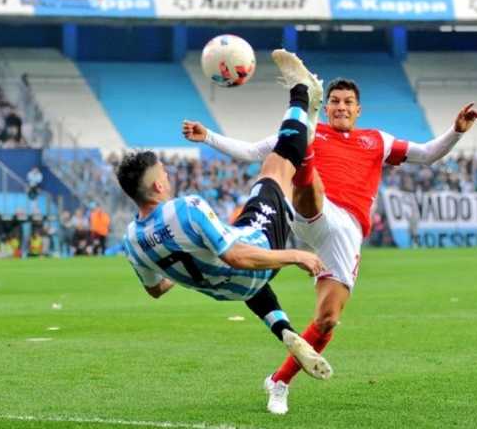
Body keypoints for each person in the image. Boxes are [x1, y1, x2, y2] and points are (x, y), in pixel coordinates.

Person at [185, 77, 477, 414]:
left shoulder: (377, 140)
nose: (341, 107)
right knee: (309, 182)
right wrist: (207, 136)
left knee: (327, 319)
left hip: (347, 230)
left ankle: (279, 381)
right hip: (312, 208)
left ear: (358, 109)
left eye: (347, 102)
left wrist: (457, 130)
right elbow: (254, 151)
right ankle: (306, 158)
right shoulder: (314, 134)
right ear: (325, 108)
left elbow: (428, 154)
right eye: (335, 101)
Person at [119, 50, 333, 385]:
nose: (169, 177)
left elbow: (156, 290)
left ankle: (285, 331)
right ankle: (301, 91)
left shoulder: (131, 241)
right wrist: (297, 255)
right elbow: (236, 255)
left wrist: (191, 268)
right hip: (255, 257)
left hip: (231, 291)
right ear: (159, 184)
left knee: (232, 262)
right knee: (275, 168)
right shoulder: (186, 207)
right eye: (166, 173)